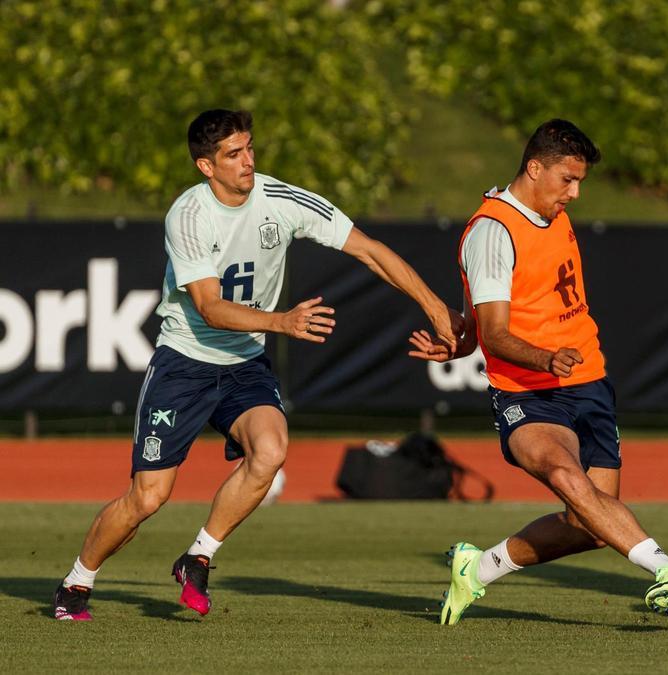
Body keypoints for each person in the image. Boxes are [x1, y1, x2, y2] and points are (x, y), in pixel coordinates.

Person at [52, 109, 460, 621]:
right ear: (206, 166)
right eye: (233, 154)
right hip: (185, 362)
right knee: (147, 498)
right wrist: (282, 323)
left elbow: (370, 251)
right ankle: (76, 583)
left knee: (270, 451)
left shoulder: (281, 200)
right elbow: (209, 308)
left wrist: (434, 306)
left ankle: (198, 556)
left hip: (244, 364)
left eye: (249, 148)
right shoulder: (188, 215)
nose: (248, 161)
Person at [408, 119, 668, 625]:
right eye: (567, 179)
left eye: (580, 181)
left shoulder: (551, 212)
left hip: (588, 381)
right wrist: (539, 357)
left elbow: (476, 325)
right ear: (534, 167)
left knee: (590, 523)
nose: (574, 192)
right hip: (528, 390)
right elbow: (494, 334)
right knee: (567, 478)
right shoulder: (493, 232)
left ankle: (477, 568)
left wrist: (459, 343)